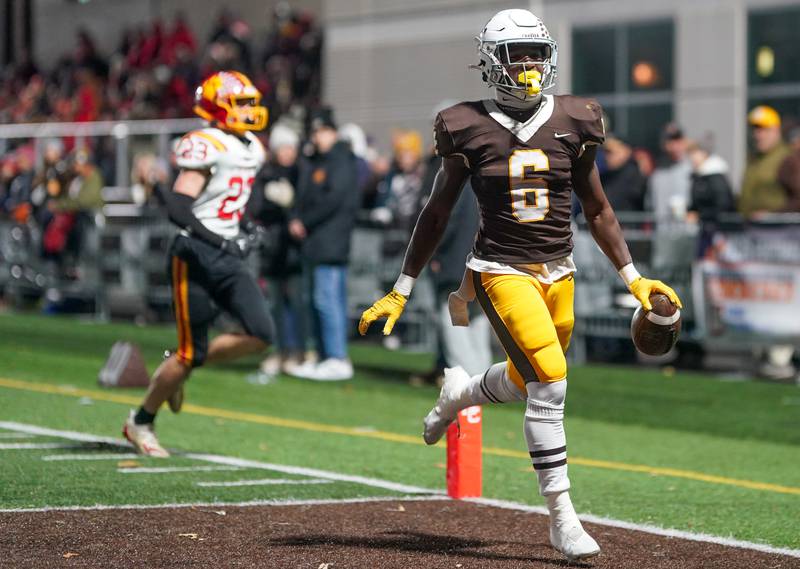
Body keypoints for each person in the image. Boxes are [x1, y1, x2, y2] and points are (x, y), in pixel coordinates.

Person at [358, 9, 681, 562]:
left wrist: (633, 277)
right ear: (492, 62)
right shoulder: (464, 123)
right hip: (500, 270)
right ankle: (562, 518)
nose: (528, 63)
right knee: (551, 384)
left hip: (561, 270)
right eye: (516, 53)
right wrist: (404, 284)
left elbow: (598, 207)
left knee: (528, 377)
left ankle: (459, 394)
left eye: (536, 51)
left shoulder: (578, 117)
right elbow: (437, 212)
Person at [121, 71, 274, 457]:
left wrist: (247, 227)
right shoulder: (205, 145)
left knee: (260, 333)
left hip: (225, 253)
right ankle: (140, 421)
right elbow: (178, 207)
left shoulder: (252, 146)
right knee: (192, 353)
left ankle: (180, 362)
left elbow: (236, 201)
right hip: (195, 254)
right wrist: (220, 238)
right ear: (217, 106)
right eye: (240, 102)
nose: (248, 109)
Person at [287, 107, 360, 381]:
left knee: (327, 301)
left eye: (320, 132)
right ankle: (322, 354)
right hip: (319, 243)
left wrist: (304, 220)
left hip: (330, 242)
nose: (316, 138)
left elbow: (333, 199)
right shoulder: (319, 161)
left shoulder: (340, 160)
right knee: (319, 300)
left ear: (331, 132)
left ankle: (336, 356)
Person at [251, 124, 309, 376]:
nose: (288, 153)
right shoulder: (265, 173)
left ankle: (299, 351)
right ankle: (278, 350)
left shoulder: (301, 172)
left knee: (298, 301)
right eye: (283, 148)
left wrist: (291, 208)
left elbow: (308, 203)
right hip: (273, 247)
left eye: (291, 147)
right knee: (274, 302)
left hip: (295, 249)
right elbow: (256, 207)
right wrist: (275, 203)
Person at [739, 106, 791, 218]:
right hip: (749, 228)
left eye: (763, 129)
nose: (757, 135)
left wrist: (774, 214)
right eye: (755, 129)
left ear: (776, 130)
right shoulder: (754, 159)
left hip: (778, 230)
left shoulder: (787, 157)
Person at [686, 140, 735, 257]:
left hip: (718, 231)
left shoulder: (715, 176)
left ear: (704, 154)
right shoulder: (698, 176)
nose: (692, 158)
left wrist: (700, 215)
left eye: (695, 153)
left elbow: (723, 205)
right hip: (705, 230)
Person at [648, 123, 692, 223]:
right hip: (662, 233)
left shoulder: (693, 169)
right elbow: (650, 204)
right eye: (670, 141)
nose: (675, 146)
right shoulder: (657, 173)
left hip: (689, 234)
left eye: (678, 140)